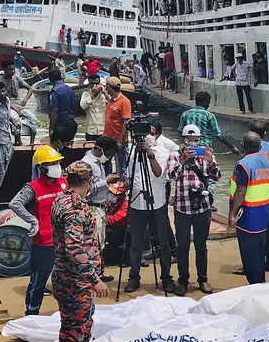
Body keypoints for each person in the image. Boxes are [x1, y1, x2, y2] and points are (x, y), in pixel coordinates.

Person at [41, 162, 110, 342]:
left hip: (72, 279)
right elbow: (74, 248)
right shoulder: (75, 210)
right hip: (75, 281)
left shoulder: (62, 199)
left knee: (84, 325)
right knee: (72, 332)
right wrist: (95, 279)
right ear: (89, 182)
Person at [9, 146, 67, 315]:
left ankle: (66, 312)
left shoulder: (64, 182)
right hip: (44, 241)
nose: (56, 165)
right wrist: (32, 220)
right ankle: (31, 313)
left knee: (65, 278)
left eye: (57, 162)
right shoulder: (33, 187)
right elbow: (15, 203)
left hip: (65, 239)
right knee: (38, 281)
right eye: (51, 163)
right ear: (41, 168)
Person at [165, 124, 219, 295]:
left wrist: (210, 161)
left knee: (201, 246)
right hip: (182, 207)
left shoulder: (206, 154)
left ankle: (203, 279)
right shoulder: (175, 155)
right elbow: (171, 176)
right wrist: (183, 160)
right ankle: (183, 280)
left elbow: (216, 176)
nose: (192, 144)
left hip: (202, 207)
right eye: (189, 140)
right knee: (182, 247)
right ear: (184, 140)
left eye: (195, 140)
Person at [124, 131, 175, 294]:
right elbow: (130, 175)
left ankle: (166, 277)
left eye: (150, 132)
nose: (146, 136)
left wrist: (149, 154)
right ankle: (134, 277)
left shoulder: (162, 151)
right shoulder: (133, 151)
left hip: (156, 203)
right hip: (136, 203)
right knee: (135, 244)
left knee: (162, 242)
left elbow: (159, 173)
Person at [229, 132, 269, 284]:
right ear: (260, 146)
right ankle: (260, 281)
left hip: (247, 215)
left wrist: (232, 214)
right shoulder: (268, 163)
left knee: (249, 254)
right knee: (259, 251)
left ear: (244, 145)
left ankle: (256, 284)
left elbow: (241, 191)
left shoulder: (243, 164)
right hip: (263, 213)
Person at [80, 135, 119, 281]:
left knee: (100, 242)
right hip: (91, 207)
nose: (108, 157)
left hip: (101, 206)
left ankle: (98, 274)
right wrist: (106, 181)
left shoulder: (97, 163)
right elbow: (86, 190)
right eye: (107, 154)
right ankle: (91, 276)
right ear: (98, 149)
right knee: (92, 243)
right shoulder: (86, 164)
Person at [103, 77, 133, 173]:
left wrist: (120, 140)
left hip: (119, 139)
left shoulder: (124, 101)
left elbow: (126, 122)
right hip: (107, 137)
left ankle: (122, 183)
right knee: (105, 162)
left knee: (122, 164)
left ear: (109, 87)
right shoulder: (112, 100)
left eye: (106, 86)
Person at [47, 69, 77, 147]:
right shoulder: (70, 89)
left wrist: (51, 129)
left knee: (54, 147)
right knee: (66, 149)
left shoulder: (55, 92)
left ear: (50, 79)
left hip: (61, 125)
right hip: (71, 124)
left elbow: (54, 111)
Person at [79, 76, 108, 142]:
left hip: (103, 130)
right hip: (90, 130)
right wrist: (92, 95)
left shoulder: (104, 95)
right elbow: (83, 106)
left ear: (100, 83)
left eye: (96, 83)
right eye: (92, 84)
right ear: (89, 84)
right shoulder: (86, 94)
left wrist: (105, 93)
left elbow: (112, 105)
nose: (94, 86)